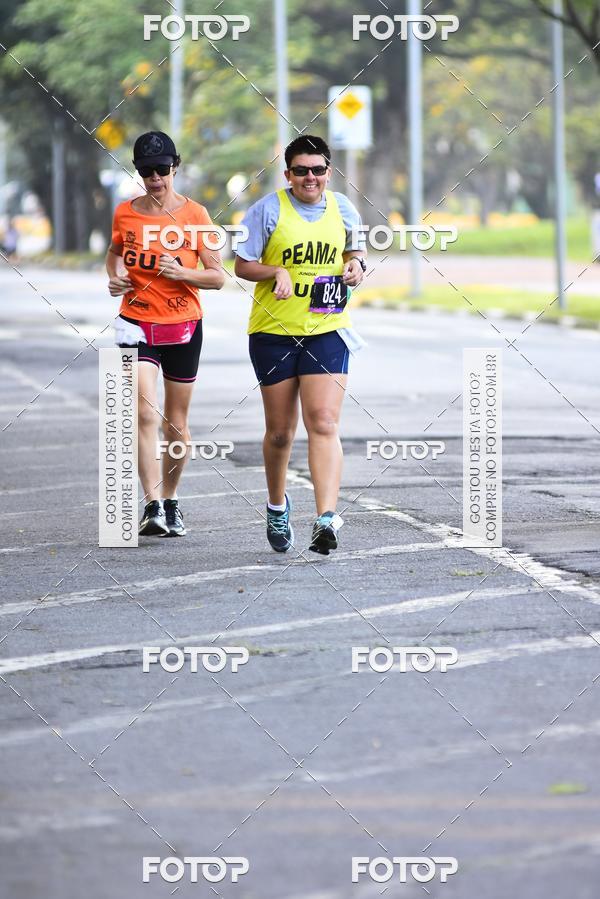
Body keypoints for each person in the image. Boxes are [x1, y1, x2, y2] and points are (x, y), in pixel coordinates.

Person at [234, 134, 367, 556]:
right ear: (288, 174)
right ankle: (277, 505)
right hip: (273, 332)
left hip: (327, 327)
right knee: (280, 433)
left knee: (324, 421)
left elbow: (356, 255)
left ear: (329, 171)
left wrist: (356, 267)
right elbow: (242, 265)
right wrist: (275, 271)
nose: (311, 177)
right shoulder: (268, 210)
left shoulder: (343, 208)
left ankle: (326, 518)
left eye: (318, 170)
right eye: (301, 171)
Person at [106, 131, 224, 537]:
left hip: (183, 326)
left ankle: (171, 500)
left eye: (161, 169)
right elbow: (114, 254)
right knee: (142, 413)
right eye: (146, 171)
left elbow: (217, 277)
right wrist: (115, 277)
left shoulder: (196, 215)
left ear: (175, 166)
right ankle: (152, 504)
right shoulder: (124, 213)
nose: (155, 178)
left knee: (175, 423)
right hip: (134, 322)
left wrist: (182, 273)